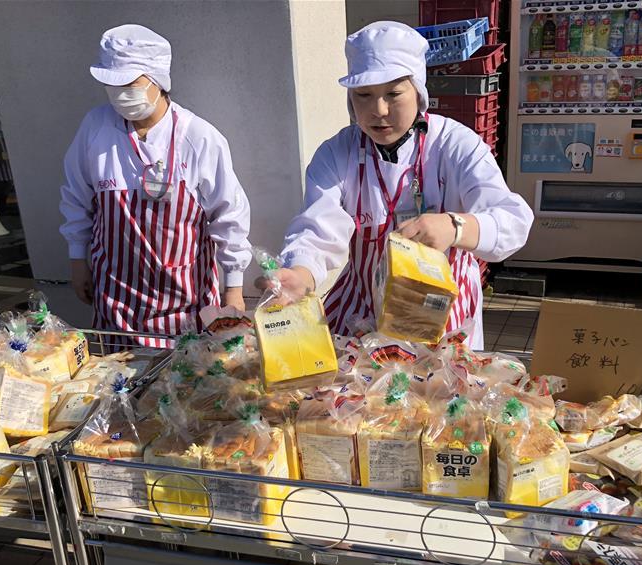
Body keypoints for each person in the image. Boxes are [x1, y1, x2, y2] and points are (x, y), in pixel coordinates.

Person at [264, 21, 532, 350]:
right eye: (364, 95)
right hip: (362, 313)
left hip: (442, 318)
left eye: (393, 94)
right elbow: (318, 226)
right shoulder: (337, 154)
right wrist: (301, 273)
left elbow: (513, 219)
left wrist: (455, 226)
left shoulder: (454, 145)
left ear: (418, 91)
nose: (378, 110)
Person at [60, 24, 251, 346]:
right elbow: (76, 197)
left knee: (187, 386)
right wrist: (78, 260)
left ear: (157, 80)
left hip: (186, 300)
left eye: (130, 85)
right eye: (111, 85)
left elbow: (228, 213)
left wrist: (233, 285)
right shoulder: (96, 127)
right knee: (120, 385)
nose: (120, 95)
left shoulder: (198, 136)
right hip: (117, 298)